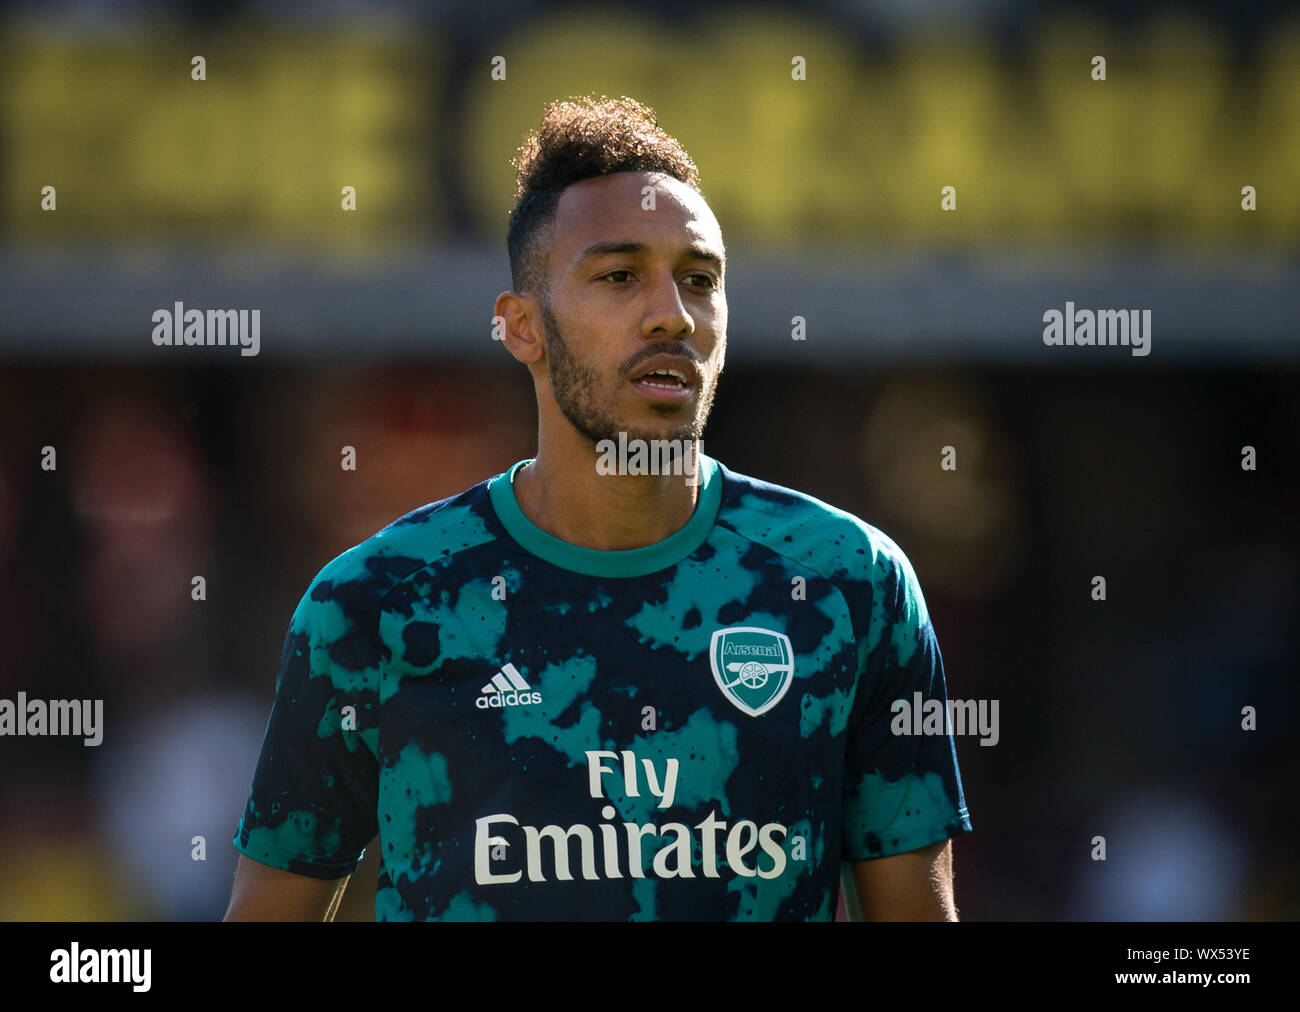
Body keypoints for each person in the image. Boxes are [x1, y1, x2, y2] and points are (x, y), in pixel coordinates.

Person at [224, 95, 971, 922]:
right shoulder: (378, 605)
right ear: (522, 327)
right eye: (619, 276)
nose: (672, 314)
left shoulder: (847, 585)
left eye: (699, 280)